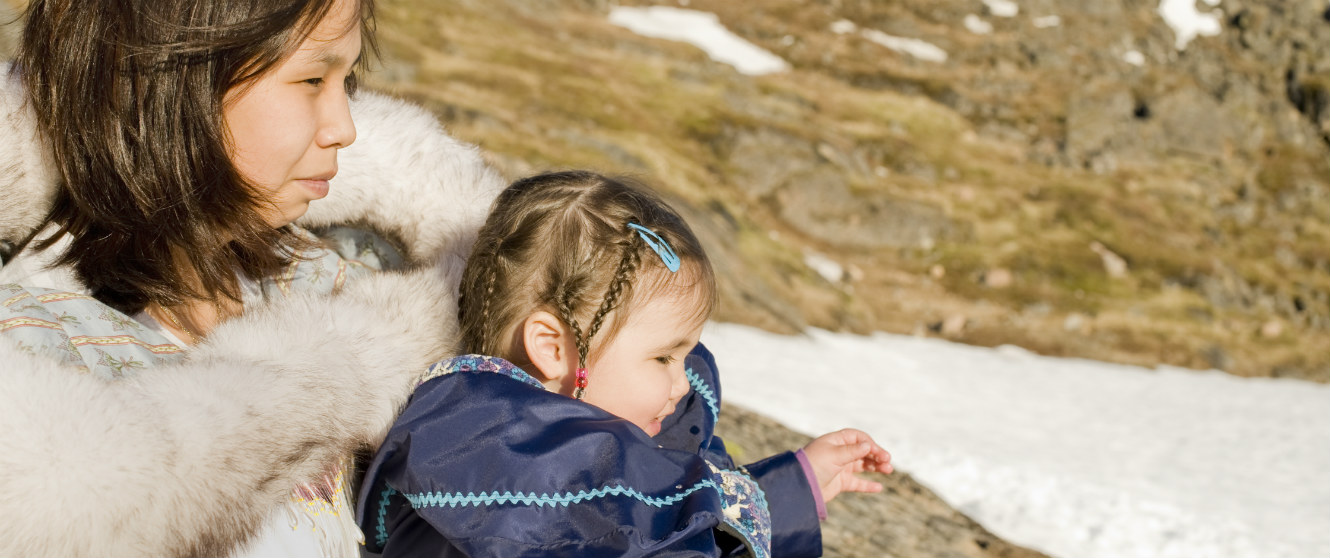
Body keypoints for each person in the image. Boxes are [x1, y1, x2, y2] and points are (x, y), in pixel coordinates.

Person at [0, 0, 506, 555]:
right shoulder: (38, 354)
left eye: (349, 79)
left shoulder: (344, 287)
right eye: (313, 78)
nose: (345, 128)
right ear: (169, 84)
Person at [357, 171, 893, 557]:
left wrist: (795, 487)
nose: (682, 384)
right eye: (662, 356)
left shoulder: (593, 457)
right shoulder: (496, 469)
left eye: (685, 355)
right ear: (554, 348)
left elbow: (675, 515)